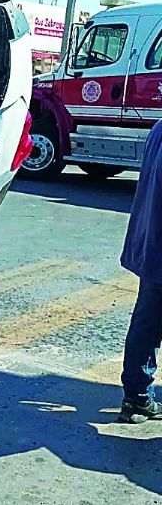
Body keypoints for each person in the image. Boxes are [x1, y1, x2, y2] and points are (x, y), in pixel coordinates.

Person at [119, 119, 162, 423]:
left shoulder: (159, 128)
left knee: (146, 324)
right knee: (147, 325)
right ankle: (137, 396)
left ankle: (136, 397)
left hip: (152, 247)